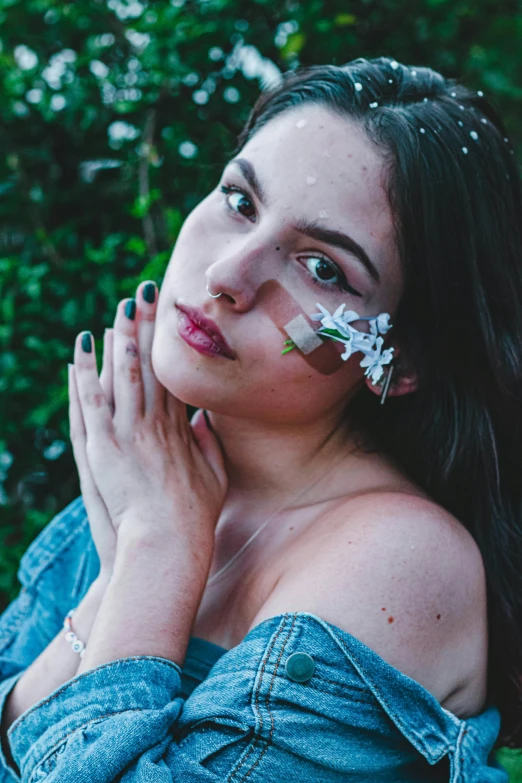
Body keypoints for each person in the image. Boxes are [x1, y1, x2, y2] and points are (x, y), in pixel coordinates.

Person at [0, 55, 521, 782]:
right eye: (241, 201)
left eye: (323, 268)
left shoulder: (405, 561)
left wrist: (152, 556)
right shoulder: (159, 469)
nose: (227, 276)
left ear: (402, 365)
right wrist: (125, 566)